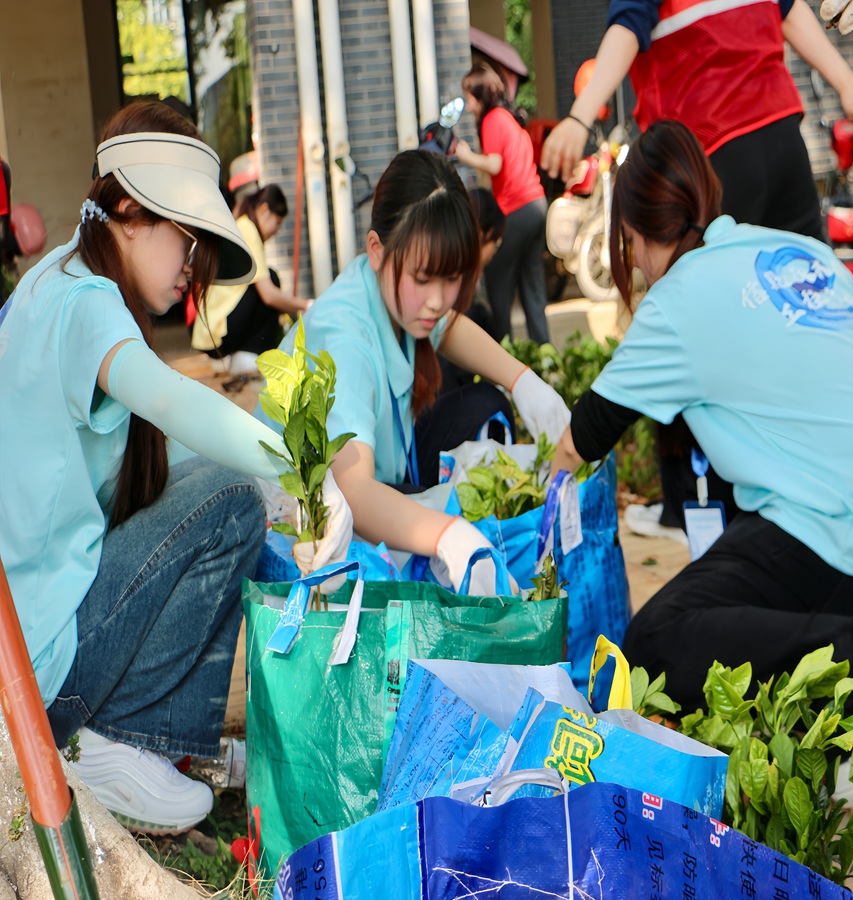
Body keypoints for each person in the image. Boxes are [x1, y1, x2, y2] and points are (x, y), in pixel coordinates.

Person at [0, 101, 351, 835]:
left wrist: (286, 499)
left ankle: (139, 744)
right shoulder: (87, 302)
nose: (191, 262)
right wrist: (298, 473)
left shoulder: (50, 284)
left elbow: (170, 448)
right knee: (227, 498)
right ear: (128, 207)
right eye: (183, 236)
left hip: (25, 662)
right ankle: (124, 741)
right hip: (38, 678)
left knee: (228, 493)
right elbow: (174, 404)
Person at [551, 120, 853, 805]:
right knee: (739, 560)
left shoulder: (676, 298)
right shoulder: (796, 249)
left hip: (852, 538)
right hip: (848, 513)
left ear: (635, 234)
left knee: (658, 637)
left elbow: (581, 439)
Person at [540, 0, 853, 544]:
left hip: (713, 147)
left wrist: (581, 116)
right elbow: (789, 10)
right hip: (782, 141)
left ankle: (692, 506)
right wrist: (846, 82)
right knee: (806, 300)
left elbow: (628, 25)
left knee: (681, 325)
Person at [262, 149, 570, 595]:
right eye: (424, 278)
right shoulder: (348, 341)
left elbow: (447, 327)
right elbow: (357, 497)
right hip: (299, 540)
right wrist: (447, 535)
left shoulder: (390, 291)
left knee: (485, 405)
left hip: (371, 489)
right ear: (376, 250)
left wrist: (523, 381)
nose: (438, 300)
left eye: (452, 279)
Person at [456, 63, 552, 346]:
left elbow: (495, 164)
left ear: (481, 94)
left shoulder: (492, 119)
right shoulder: (508, 118)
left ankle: (500, 356)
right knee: (531, 284)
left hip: (518, 210)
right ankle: (544, 355)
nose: (469, 105)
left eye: (470, 97)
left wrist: (466, 155)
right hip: (537, 205)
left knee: (497, 277)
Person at [191, 184, 311, 373]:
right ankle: (248, 357)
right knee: (270, 279)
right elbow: (269, 296)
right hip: (217, 334)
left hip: (214, 333)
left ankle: (243, 356)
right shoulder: (247, 228)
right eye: (277, 223)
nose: (277, 230)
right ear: (264, 209)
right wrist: (305, 305)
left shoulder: (243, 226)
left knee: (266, 280)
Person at [440, 186, 505, 392]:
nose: (494, 251)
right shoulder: (458, 280)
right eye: (495, 242)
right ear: (480, 234)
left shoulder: (453, 261)